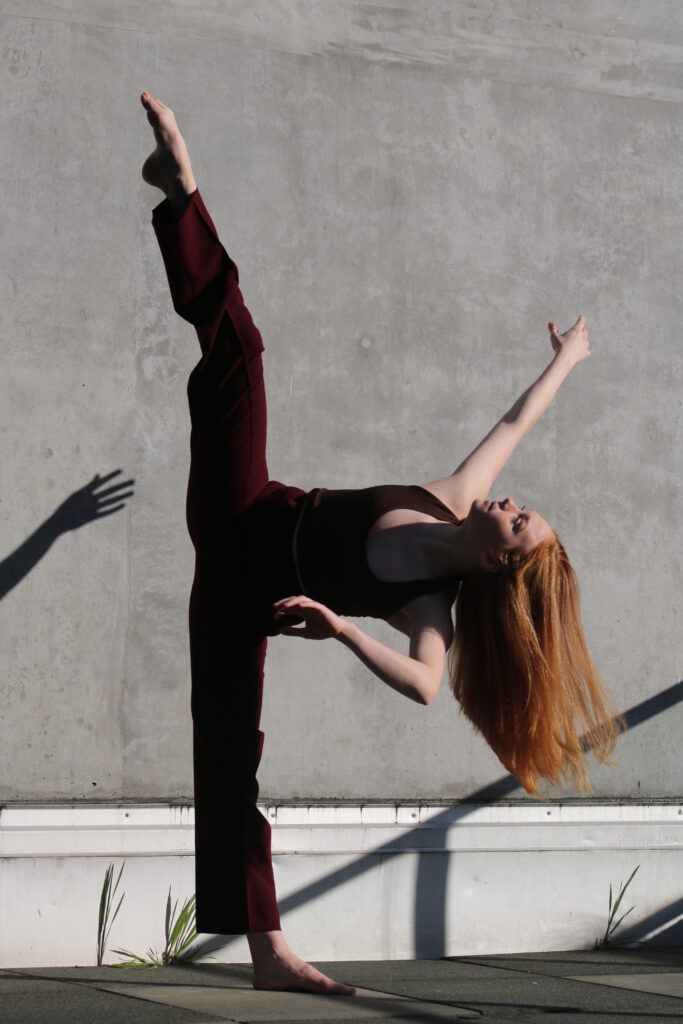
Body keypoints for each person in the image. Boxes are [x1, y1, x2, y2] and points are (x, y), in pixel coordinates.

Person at [140, 92, 621, 994]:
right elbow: (514, 423)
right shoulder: (450, 499)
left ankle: (268, 955)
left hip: (242, 598)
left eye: (519, 521)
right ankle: (180, 194)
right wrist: (569, 357)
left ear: (496, 560)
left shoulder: (426, 604)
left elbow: (425, 685)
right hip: (242, 505)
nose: (512, 502)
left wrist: (341, 627)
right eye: (521, 509)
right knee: (237, 351)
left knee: (226, 766)